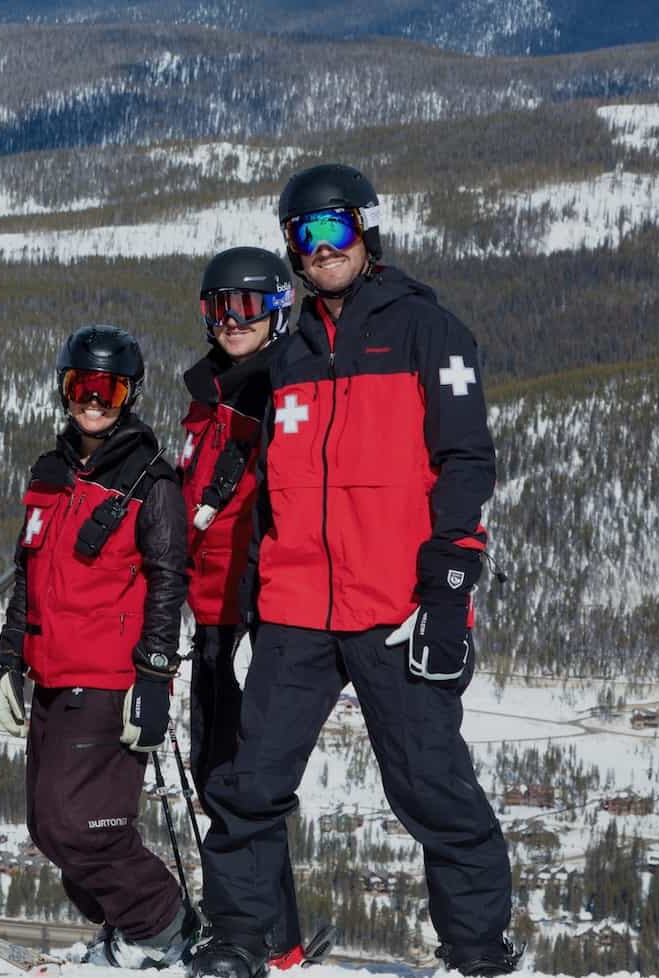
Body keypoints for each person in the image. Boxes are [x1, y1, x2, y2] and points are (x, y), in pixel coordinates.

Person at [188, 164, 516, 978]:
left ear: (366, 232)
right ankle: (240, 940)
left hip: (392, 603)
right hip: (298, 607)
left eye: (336, 230)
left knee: (433, 790)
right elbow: (241, 440)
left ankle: (477, 954)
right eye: (307, 235)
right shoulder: (291, 350)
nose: (323, 249)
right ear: (291, 251)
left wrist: (449, 582)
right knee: (246, 786)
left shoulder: (424, 331)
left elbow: (467, 459)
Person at [0, 325, 194, 969]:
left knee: (81, 826)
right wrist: (8, 664)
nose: (94, 401)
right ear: (64, 389)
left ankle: (164, 930)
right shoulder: (49, 475)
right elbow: (28, 574)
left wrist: (155, 676)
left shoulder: (150, 481)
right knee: (48, 829)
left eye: (108, 389)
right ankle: (131, 931)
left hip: (109, 680)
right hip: (51, 674)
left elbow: (169, 579)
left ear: (129, 395)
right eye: (82, 386)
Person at [180, 247, 313, 967]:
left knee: (242, 776)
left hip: (260, 603)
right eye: (220, 308)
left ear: (278, 310)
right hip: (211, 605)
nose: (233, 321)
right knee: (219, 769)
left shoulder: (286, 385)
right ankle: (278, 935)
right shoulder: (209, 398)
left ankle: (256, 934)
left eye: (249, 307)